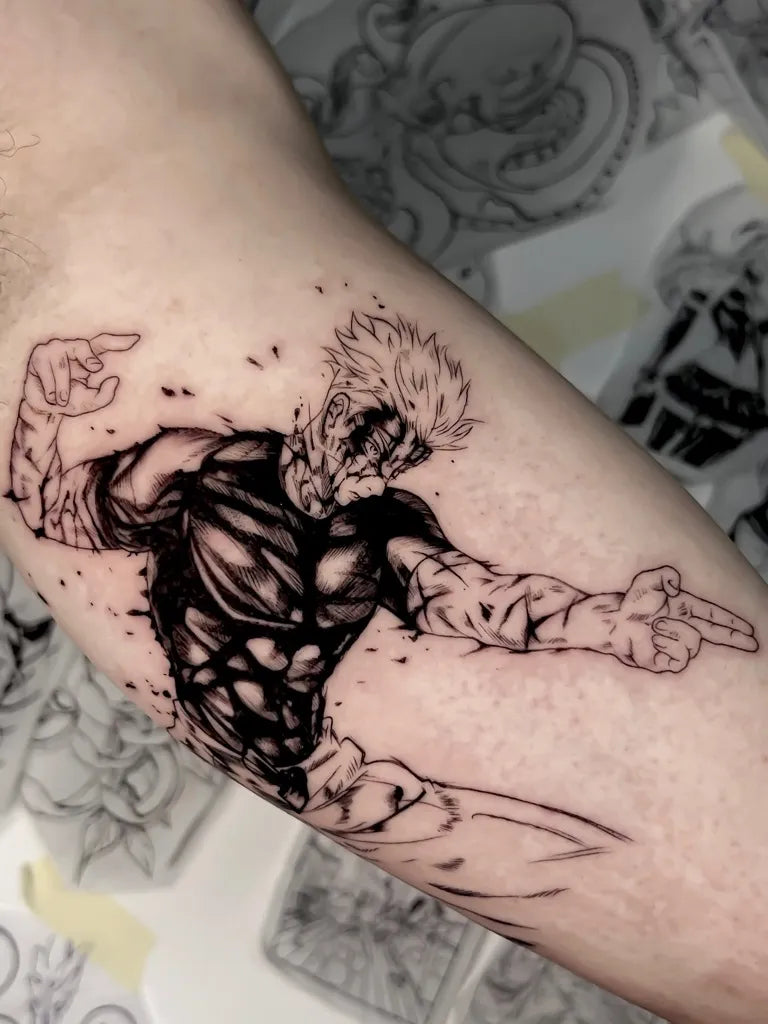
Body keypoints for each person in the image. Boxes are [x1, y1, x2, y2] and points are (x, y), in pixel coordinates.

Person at [1, 2, 767, 1022]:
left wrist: (607, 621)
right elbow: (68, 471)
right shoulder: (203, 464)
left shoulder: (382, 530)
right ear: (332, 409)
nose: (378, 457)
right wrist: (46, 410)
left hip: (347, 777)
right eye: (371, 428)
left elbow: (482, 602)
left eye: (397, 446)